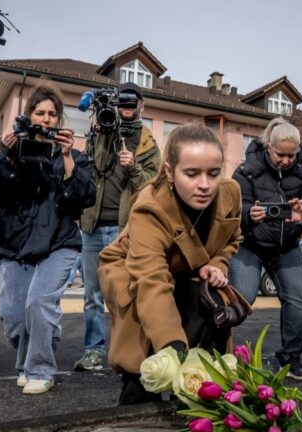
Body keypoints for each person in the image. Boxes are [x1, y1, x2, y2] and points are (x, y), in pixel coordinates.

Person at [98, 123, 243, 405]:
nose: (205, 185)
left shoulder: (231, 193)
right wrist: (173, 351)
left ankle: (196, 406)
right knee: (146, 365)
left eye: (213, 173)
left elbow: (231, 240)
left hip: (187, 276)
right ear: (169, 172)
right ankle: (136, 413)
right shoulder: (149, 207)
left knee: (205, 349)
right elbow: (151, 281)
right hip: (135, 273)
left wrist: (217, 264)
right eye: (191, 174)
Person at [0, 84, 96, 395]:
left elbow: (84, 197)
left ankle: (41, 368)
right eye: (39, 112)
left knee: (40, 303)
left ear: (59, 120)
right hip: (16, 241)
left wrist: (69, 156)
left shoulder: (72, 155)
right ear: (29, 115)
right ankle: (31, 357)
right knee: (14, 316)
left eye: (51, 114)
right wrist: (6, 156)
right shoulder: (14, 150)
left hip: (59, 241)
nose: (45, 119)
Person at [228, 118, 302, 381]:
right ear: (268, 147)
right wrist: (250, 213)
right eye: (280, 154)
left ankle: (291, 359)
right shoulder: (246, 171)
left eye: (291, 155)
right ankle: (220, 353)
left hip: (287, 247)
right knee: (241, 298)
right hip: (250, 245)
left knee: (296, 298)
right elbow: (232, 206)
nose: (285, 160)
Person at [75, 82, 161, 372]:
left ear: (141, 106)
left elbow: (154, 185)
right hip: (93, 224)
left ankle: (129, 351)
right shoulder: (103, 131)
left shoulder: (148, 143)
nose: (126, 107)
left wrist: (133, 166)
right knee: (92, 295)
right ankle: (93, 351)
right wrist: (101, 129)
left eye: (131, 102)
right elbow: (89, 166)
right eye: (121, 103)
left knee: (126, 293)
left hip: (127, 228)